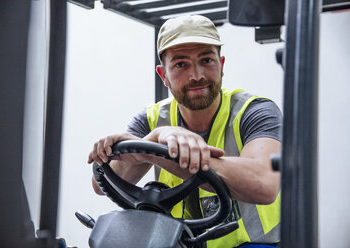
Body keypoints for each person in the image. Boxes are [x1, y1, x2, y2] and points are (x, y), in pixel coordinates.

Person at [88, 15, 282, 248]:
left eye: (207, 60)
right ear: (164, 76)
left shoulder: (255, 111)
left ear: (221, 65)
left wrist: (153, 151)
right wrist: (156, 138)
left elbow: (263, 185)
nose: (196, 75)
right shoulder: (151, 119)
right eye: (181, 64)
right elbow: (102, 184)